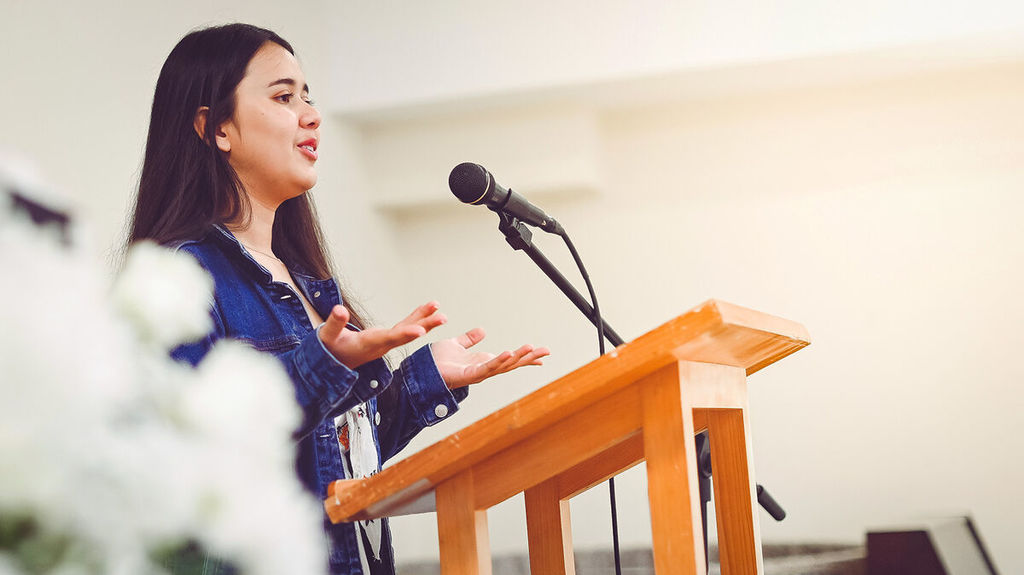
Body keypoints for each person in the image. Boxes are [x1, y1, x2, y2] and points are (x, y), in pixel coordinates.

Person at [127, 23, 549, 575]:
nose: (311, 115)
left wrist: (425, 382)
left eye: (308, 96)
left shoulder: (307, 281)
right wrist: (322, 366)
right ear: (215, 128)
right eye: (283, 97)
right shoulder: (180, 277)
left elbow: (332, 460)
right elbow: (194, 453)